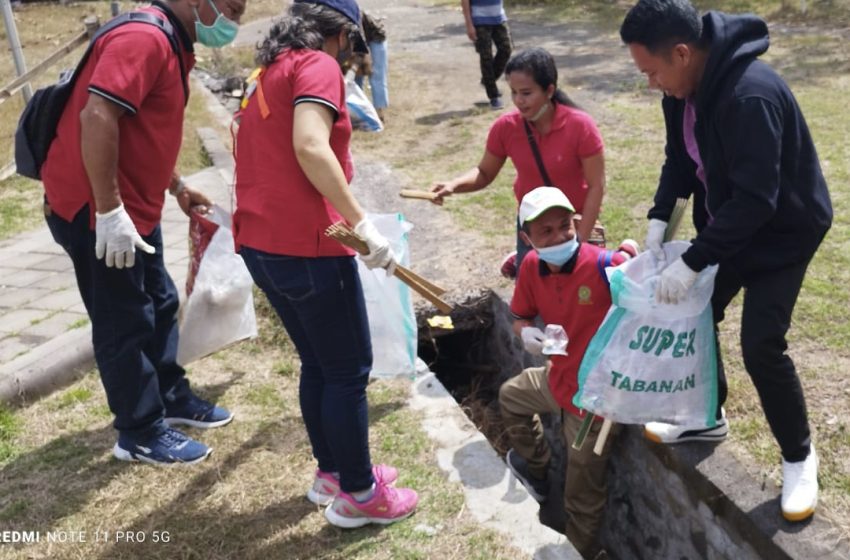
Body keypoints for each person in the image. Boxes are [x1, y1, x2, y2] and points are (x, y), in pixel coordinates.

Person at [619, 0, 832, 522]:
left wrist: (695, 259)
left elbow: (759, 199)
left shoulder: (748, 95)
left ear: (683, 53)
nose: (651, 84)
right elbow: (680, 158)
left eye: (652, 71)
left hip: (784, 232)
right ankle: (707, 416)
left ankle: (800, 456)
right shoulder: (683, 90)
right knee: (696, 314)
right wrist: (659, 215)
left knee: (761, 343)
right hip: (732, 223)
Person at [232, 0, 418, 529]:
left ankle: (334, 473)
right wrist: (362, 222)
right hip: (308, 244)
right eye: (352, 45)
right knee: (347, 372)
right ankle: (360, 494)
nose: (349, 54)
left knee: (318, 363)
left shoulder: (265, 72)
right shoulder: (316, 64)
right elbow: (311, 146)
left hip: (261, 243)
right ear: (339, 34)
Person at [40, 0, 244, 466]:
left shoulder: (173, 42)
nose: (235, 21)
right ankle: (139, 430)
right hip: (97, 210)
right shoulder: (144, 38)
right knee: (123, 319)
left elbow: (143, 127)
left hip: (135, 206)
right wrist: (109, 212)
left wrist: (175, 185)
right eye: (231, 7)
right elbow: (97, 118)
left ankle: (170, 398)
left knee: (159, 299)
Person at [499, 187, 636, 560]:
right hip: (559, 376)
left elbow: (644, 297)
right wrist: (525, 333)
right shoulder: (530, 267)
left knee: (582, 494)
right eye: (547, 232)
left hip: (595, 401)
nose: (560, 237)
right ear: (528, 239)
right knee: (511, 396)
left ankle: (580, 552)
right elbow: (519, 315)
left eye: (565, 226)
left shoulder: (604, 266)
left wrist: (638, 266)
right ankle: (539, 471)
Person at [430, 47, 606, 279]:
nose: (518, 101)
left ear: (549, 90)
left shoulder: (580, 126)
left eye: (526, 93)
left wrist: (580, 243)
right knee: (536, 295)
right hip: (534, 226)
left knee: (581, 294)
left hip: (573, 223)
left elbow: (597, 186)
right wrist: (454, 185)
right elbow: (484, 172)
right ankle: (521, 259)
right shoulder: (506, 127)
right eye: (513, 92)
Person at [461, 0, 512, 109]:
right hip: (480, 21)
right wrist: (469, 25)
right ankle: (493, 96)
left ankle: (487, 80)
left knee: (506, 49)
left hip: (499, 18)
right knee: (486, 57)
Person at [353, 12, 389, 122]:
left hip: (376, 38)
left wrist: (365, 62)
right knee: (354, 77)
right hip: (357, 43)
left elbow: (361, 39)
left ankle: (379, 111)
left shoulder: (352, 14)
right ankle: (358, 111)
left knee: (377, 75)